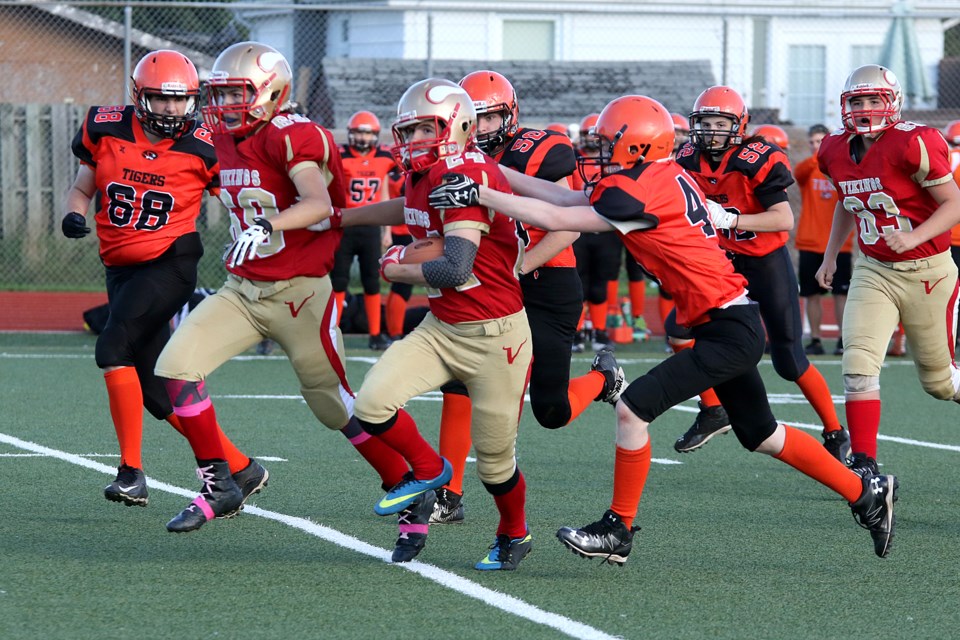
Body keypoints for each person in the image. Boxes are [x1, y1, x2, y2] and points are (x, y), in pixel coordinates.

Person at [428, 94, 897, 561]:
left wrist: (481, 193)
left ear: (635, 146)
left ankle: (619, 529)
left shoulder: (640, 189)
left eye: (608, 143)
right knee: (762, 434)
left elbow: (556, 216)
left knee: (632, 409)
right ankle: (865, 494)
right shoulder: (655, 176)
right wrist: (489, 172)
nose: (600, 152)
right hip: (727, 319)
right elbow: (568, 197)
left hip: (728, 326)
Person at [153, 42, 408, 533]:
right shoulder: (220, 136)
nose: (225, 106)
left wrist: (272, 225)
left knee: (331, 403)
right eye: (220, 94)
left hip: (300, 295)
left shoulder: (292, 134)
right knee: (175, 369)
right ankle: (222, 483)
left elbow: (315, 202)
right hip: (242, 289)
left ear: (271, 93)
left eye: (237, 94)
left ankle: (405, 479)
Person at [330, 78, 564, 570]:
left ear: (457, 126)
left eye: (424, 130)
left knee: (496, 463)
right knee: (371, 404)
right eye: (408, 131)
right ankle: (431, 468)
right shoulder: (426, 171)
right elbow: (408, 208)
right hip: (443, 327)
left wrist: (398, 267)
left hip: (497, 337)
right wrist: (341, 218)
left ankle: (514, 534)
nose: (413, 141)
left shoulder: (462, 173)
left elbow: (456, 268)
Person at [426, 70, 624, 524]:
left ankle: (604, 379)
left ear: (510, 116)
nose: (481, 128)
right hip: (490, 281)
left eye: (490, 118)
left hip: (545, 281)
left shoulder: (545, 148)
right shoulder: (451, 153)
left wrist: (519, 266)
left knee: (550, 409)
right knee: (459, 379)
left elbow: (571, 224)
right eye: (472, 119)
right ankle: (448, 493)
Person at [62, 49, 258, 508]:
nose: (172, 109)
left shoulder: (206, 144)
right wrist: (74, 214)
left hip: (170, 262)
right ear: (138, 95)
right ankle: (242, 468)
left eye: (181, 100)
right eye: (161, 99)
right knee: (155, 391)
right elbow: (81, 186)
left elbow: (240, 199)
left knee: (111, 347)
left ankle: (131, 473)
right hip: (120, 268)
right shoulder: (104, 126)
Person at [671, 85, 849, 462]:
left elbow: (783, 218)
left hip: (765, 259)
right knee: (679, 330)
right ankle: (714, 409)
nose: (710, 130)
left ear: (739, 125)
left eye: (720, 123)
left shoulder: (759, 155)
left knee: (788, 359)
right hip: (721, 262)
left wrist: (731, 218)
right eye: (704, 122)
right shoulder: (687, 156)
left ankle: (835, 431)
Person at [815, 64, 960, 476]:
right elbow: (848, 200)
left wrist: (913, 238)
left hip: (927, 271)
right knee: (857, 364)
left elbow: (955, 203)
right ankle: (864, 465)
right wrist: (831, 256)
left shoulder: (914, 142)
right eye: (856, 101)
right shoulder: (833, 149)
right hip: (874, 268)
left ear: (891, 102)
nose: (864, 109)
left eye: (873, 100)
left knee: (939, 384)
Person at [332, 110, 397, 350]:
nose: (362, 138)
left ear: (376, 135)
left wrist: (387, 230)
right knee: (338, 281)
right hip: (346, 224)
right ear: (350, 134)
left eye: (367, 133)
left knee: (372, 282)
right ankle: (333, 334)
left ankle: (375, 334)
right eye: (358, 132)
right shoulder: (340, 156)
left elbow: (385, 191)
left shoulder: (385, 157)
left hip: (370, 227)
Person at [795, 124, 850, 357]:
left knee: (841, 294)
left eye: (821, 142)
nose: (816, 146)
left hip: (840, 245)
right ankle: (816, 339)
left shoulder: (840, 168)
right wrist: (820, 154)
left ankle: (842, 339)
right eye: (813, 142)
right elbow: (798, 173)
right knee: (811, 294)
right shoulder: (808, 168)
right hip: (810, 241)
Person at [571, 112, 621, 352]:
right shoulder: (572, 160)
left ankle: (599, 331)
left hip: (606, 227)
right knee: (579, 283)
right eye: (586, 136)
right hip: (579, 228)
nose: (591, 142)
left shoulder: (615, 160)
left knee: (601, 283)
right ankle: (577, 332)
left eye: (595, 137)